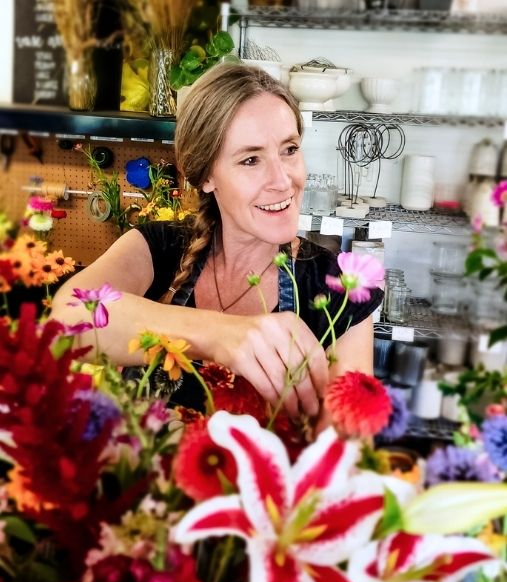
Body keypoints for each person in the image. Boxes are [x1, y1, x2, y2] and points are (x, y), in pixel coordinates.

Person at [51, 62, 382, 422]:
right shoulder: (158, 247)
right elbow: (67, 322)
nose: (283, 181)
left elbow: (345, 449)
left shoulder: (338, 288)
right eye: (251, 159)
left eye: (289, 150)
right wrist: (223, 336)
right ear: (207, 175)